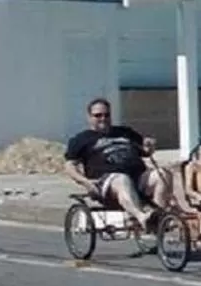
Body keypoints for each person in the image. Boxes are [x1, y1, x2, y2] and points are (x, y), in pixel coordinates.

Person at [63, 97, 174, 229]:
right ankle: (141, 217)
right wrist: (86, 182)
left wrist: (150, 146)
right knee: (122, 179)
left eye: (107, 115)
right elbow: (69, 166)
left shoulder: (125, 132)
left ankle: (157, 217)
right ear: (89, 117)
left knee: (163, 174)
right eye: (98, 115)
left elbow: (146, 151)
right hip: (106, 182)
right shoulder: (81, 139)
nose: (103, 118)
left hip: (138, 178)